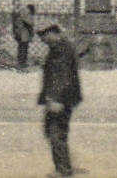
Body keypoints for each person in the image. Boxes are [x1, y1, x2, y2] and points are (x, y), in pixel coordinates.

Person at [37, 23, 82, 178]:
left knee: (56, 133)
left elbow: (63, 76)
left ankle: (63, 169)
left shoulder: (62, 49)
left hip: (61, 98)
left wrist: (56, 99)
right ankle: (62, 167)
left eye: (43, 35)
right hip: (59, 97)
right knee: (52, 132)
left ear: (53, 32)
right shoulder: (59, 46)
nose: (41, 39)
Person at [11, 2, 37, 69]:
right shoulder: (26, 13)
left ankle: (21, 62)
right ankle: (22, 63)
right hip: (24, 33)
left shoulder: (20, 12)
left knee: (21, 47)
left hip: (19, 32)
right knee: (24, 48)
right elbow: (30, 22)